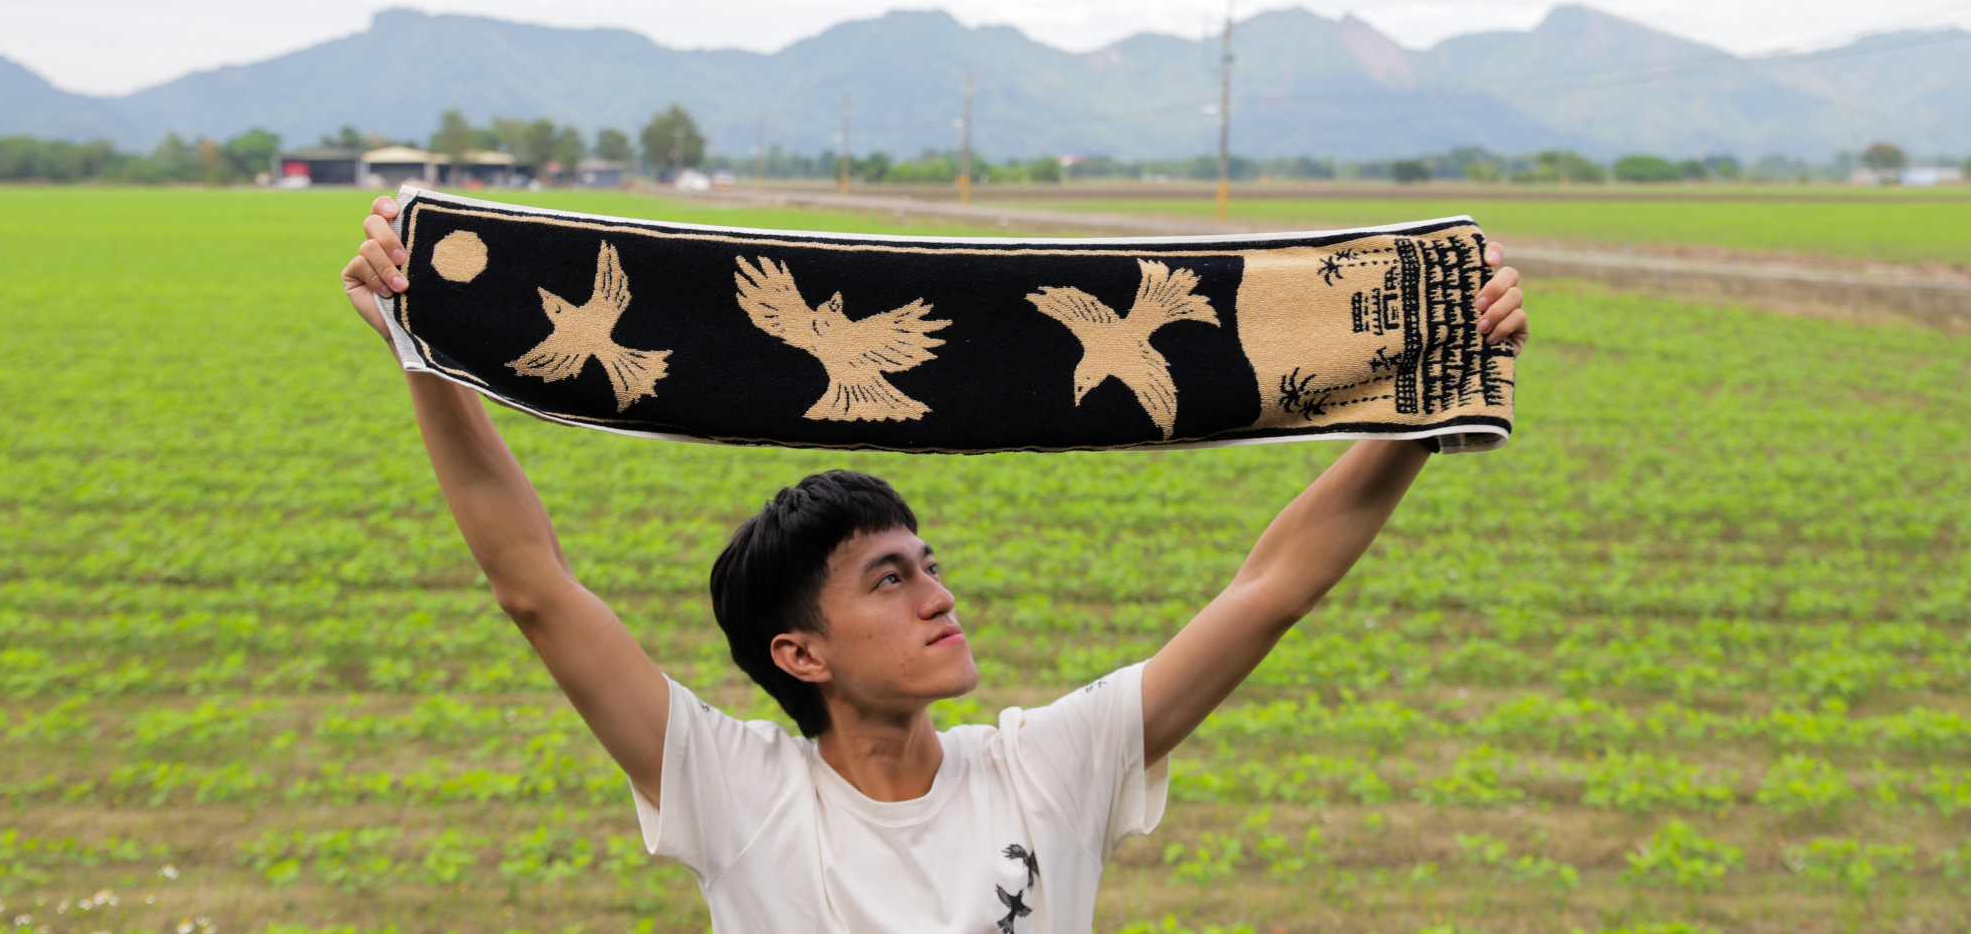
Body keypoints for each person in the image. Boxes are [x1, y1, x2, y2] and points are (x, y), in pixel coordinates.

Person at [341, 194, 1530, 932]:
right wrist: (420, 349)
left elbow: (1269, 590)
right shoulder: (736, 792)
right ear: (797, 652)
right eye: (888, 578)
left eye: (926, 563)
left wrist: (1419, 405)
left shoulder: (1047, 768)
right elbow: (535, 587)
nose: (938, 595)